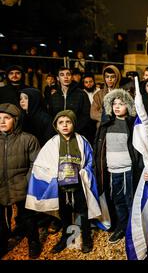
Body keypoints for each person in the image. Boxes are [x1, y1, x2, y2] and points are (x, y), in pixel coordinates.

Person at [26, 110, 104, 254]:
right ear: (56, 125)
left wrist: (84, 171)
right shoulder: (52, 143)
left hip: (79, 184)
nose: (65, 125)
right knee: (64, 213)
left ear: (73, 124)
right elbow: (43, 163)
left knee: (83, 212)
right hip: (60, 187)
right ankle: (66, 237)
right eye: (61, 122)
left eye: (68, 122)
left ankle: (86, 238)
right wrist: (53, 174)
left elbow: (90, 160)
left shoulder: (82, 141)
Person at [94, 89, 139, 243]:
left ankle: (132, 229)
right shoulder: (106, 124)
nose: (117, 106)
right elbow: (99, 148)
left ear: (129, 106)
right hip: (112, 170)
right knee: (117, 199)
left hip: (127, 169)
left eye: (121, 103)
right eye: (114, 104)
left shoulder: (132, 124)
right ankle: (122, 226)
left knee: (129, 200)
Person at [0, 103, 41, 259]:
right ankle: (3, 244)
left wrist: (26, 182)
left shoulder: (28, 139)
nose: (2, 122)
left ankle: (34, 243)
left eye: (7, 118)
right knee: (1, 221)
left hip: (21, 185)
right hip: (1, 185)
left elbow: (36, 164)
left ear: (15, 120)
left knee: (28, 218)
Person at [47, 66, 91, 140]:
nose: (66, 77)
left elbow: (86, 115)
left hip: (77, 133)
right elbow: (51, 115)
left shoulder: (81, 94)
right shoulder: (54, 96)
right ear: (58, 78)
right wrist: (57, 130)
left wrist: (75, 130)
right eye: (62, 75)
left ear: (71, 77)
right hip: (58, 134)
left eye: (68, 74)